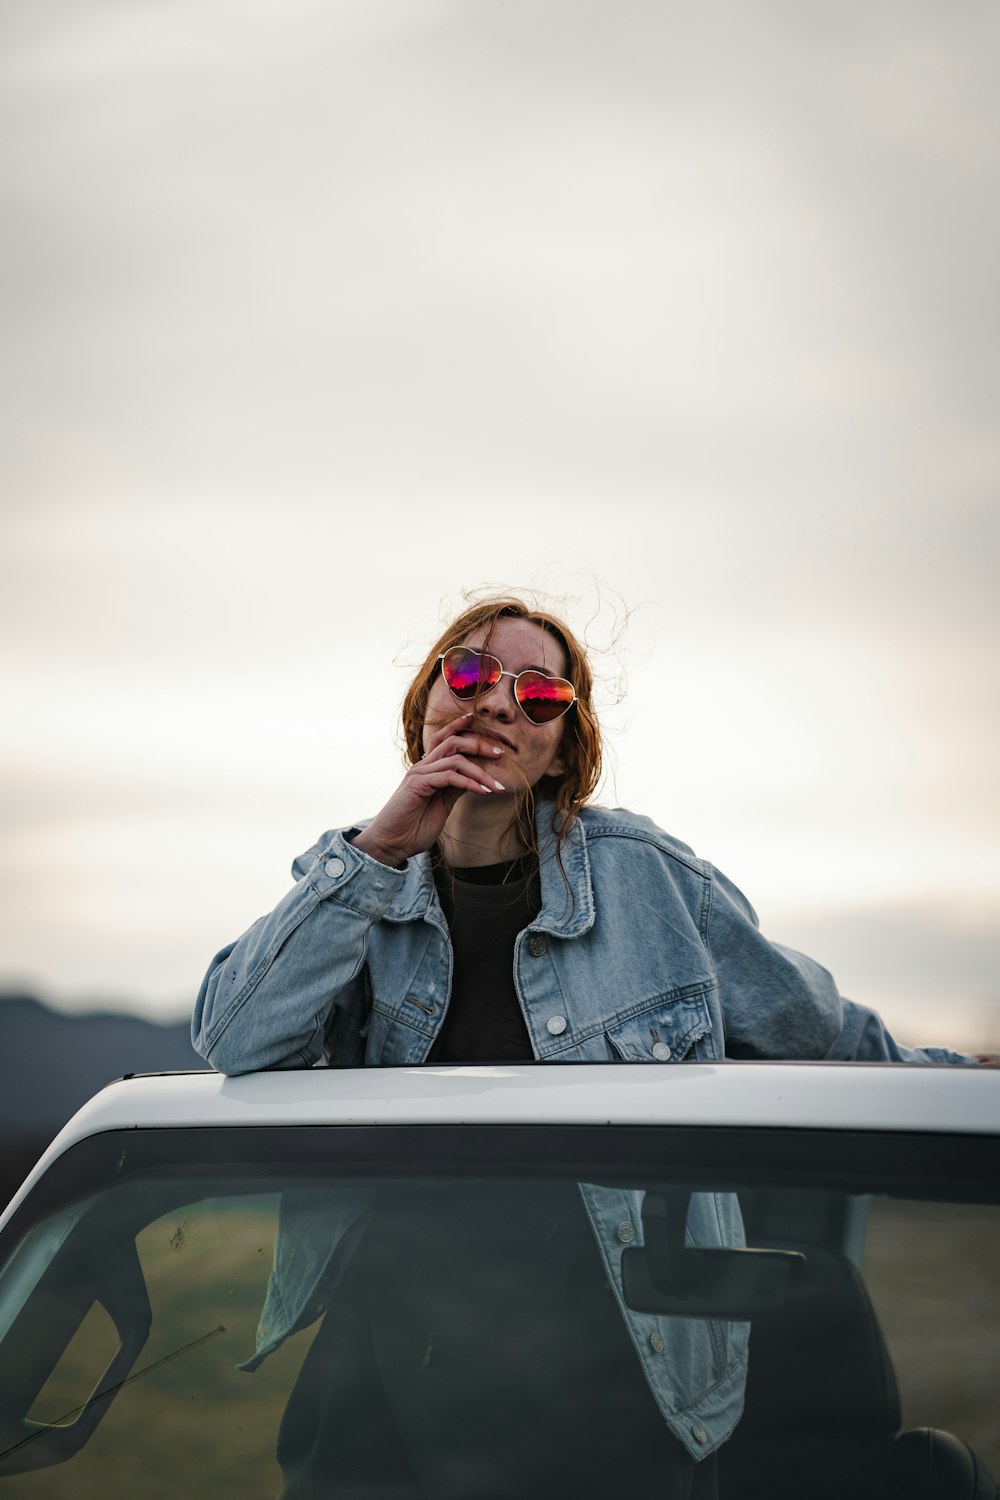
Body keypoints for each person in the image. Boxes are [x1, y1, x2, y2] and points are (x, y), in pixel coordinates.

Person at [192, 594, 984, 1499]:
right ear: (426, 709)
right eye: (468, 674)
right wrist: (380, 849)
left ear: (564, 748)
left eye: (538, 695)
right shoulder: (354, 886)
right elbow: (233, 1037)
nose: (495, 704)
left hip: (610, 1374)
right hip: (388, 1372)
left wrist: (967, 1091)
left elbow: (830, 1040)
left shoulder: (652, 884)